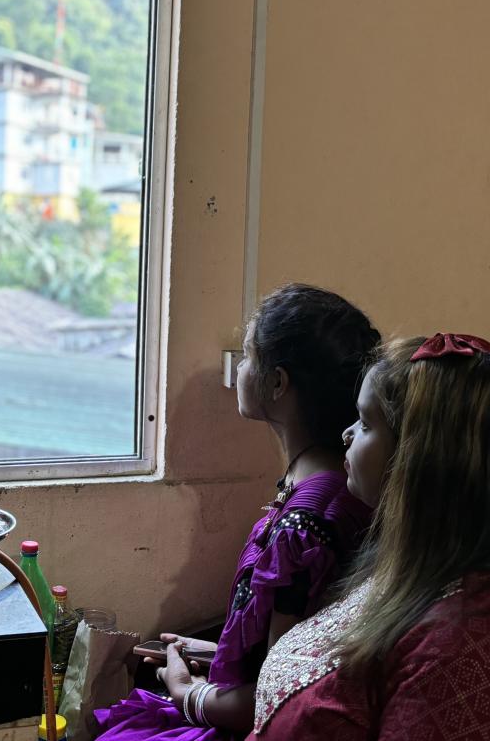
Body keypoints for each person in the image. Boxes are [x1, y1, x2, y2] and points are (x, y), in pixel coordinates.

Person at [242, 333, 490, 740]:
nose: (346, 435)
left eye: (366, 422)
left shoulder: (472, 654)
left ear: (420, 460)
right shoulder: (419, 570)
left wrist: (200, 698)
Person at [95, 284, 381, 739]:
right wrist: (216, 651)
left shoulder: (305, 523)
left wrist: (188, 693)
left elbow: (279, 690)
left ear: (277, 383)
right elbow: (290, 649)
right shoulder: (317, 484)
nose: (240, 367)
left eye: (248, 356)